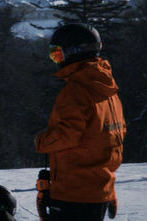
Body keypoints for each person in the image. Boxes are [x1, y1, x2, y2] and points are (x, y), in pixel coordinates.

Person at [34, 22, 126, 221]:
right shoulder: (108, 90)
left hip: (73, 194)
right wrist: (107, 189)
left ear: (74, 52)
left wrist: (41, 141)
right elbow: (112, 141)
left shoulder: (76, 91)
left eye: (57, 55)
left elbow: (67, 135)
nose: (56, 61)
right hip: (97, 193)